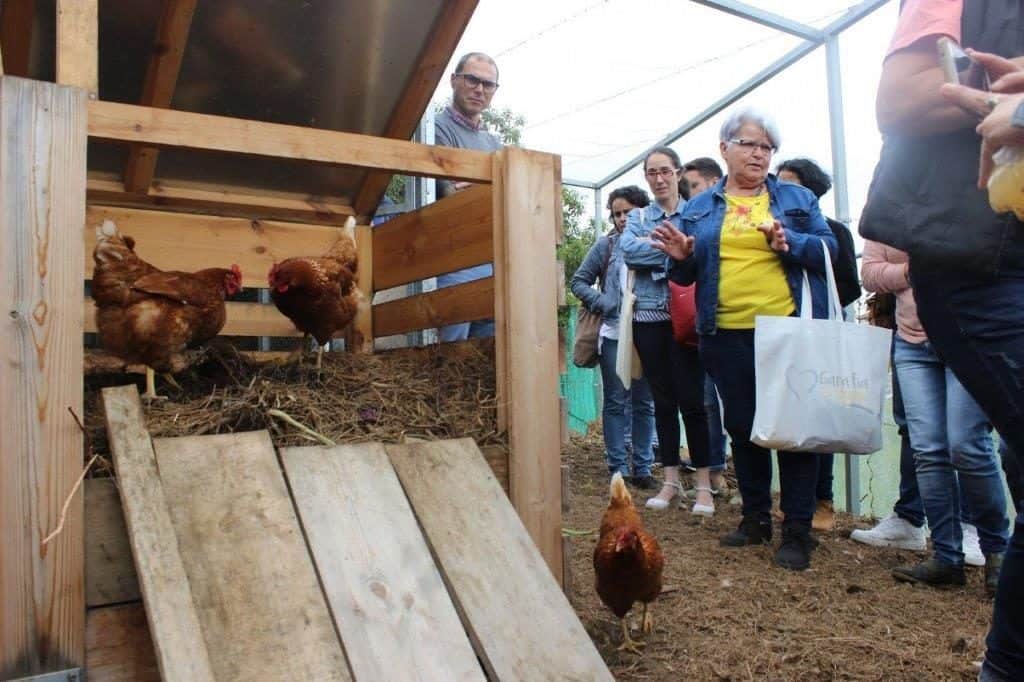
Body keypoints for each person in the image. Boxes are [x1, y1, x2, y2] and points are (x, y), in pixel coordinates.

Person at [860, 2, 1024, 677]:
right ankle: (950, 553)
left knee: (972, 447)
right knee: (936, 445)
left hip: (969, 286)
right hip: (970, 275)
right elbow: (901, 98)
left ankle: (991, 552)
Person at [652, 107, 837, 571]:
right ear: (724, 148)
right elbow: (685, 273)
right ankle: (755, 519)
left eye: (766, 147)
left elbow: (830, 249)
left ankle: (797, 530)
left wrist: (790, 243)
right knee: (743, 426)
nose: (759, 154)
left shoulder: (795, 198)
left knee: (793, 432)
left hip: (787, 330)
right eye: (749, 144)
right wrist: (680, 258)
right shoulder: (699, 207)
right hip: (725, 332)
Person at [862, 239, 1007, 592]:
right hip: (911, 343)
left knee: (967, 445)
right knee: (927, 450)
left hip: (969, 335)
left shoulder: (971, 206)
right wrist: (913, 271)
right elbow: (870, 273)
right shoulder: (891, 212)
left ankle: (998, 555)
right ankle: (947, 558)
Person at [619, 147, 716, 517]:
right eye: (651, 172)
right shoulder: (640, 215)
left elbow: (702, 252)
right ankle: (670, 480)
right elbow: (629, 252)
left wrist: (662, 247)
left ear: (677, 172)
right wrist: (675, 251)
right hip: (648, 318)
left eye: (664, 171)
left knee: (694, 401)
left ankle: (704, 485)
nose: (658, 179)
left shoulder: (695, 213)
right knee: (662, 401)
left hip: (688, 317)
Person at [774, 157, 861, 532]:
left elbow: (850, 285)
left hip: (820, 336)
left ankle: (822, 499)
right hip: (784, 333)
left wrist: (818, 301)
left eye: (790, 184)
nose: (781, 191)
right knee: (788, 419)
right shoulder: (771, 229)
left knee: (820, 418)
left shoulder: (834, 232)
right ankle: (795, 499)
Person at [571, 186, 658, 489]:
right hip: (613, 334)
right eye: (617, 213)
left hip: (647, 331)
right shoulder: (606, 245)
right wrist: (604, 303)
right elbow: (579, 281)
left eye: (628, 212)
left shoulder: (655, 241)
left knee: (644, 402)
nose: (622, 218)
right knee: (615, 401)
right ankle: (618, 466)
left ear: (642, 212)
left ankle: (643, 467)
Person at [434, 52, 503, 342]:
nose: (479, 89)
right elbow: (447, 192)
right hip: (453, 259)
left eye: (488, 84)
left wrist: (472, 186)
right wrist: (489, 188)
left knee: (487, 352)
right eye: (472, 80)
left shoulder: (493, 142)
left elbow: (505, 197)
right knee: (452, 351)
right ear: (454, 81)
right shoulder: (435, 129)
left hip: (491, 258)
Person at [679, 157, 729, 492]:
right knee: (709, 401)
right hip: (707, 325)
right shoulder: (691, 222)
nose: (690, 194)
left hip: (746, 325)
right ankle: (714, 468)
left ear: (714, 183)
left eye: (694, 185)